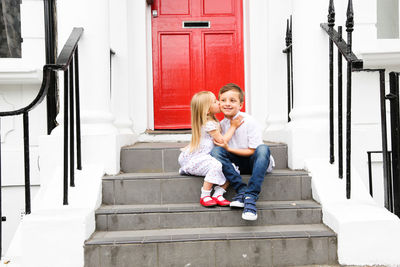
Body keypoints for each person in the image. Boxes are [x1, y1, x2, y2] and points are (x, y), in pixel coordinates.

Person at [211, 83, 274, 220]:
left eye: (232, 101)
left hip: (255, 161)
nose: (227, 104)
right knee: (216, 152)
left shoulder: (249, 121)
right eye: (223, 100)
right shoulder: (221, 125)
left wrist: (228, 149)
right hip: (236, 163)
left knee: (263, 148)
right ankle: (241, 189)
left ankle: (251, 195)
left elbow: (253, 151)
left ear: (241, 105)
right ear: (219, 103)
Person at [178, 91, 243, 207]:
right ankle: (205, 195)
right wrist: (233, 126)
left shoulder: (213, 121)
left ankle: (218, 194)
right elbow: (222, 141)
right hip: (198, 159)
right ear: (208, 110)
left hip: (208, 157)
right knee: (216, 166)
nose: (219, 103)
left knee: (233, 168)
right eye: (215, 101)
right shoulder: (209, 125)